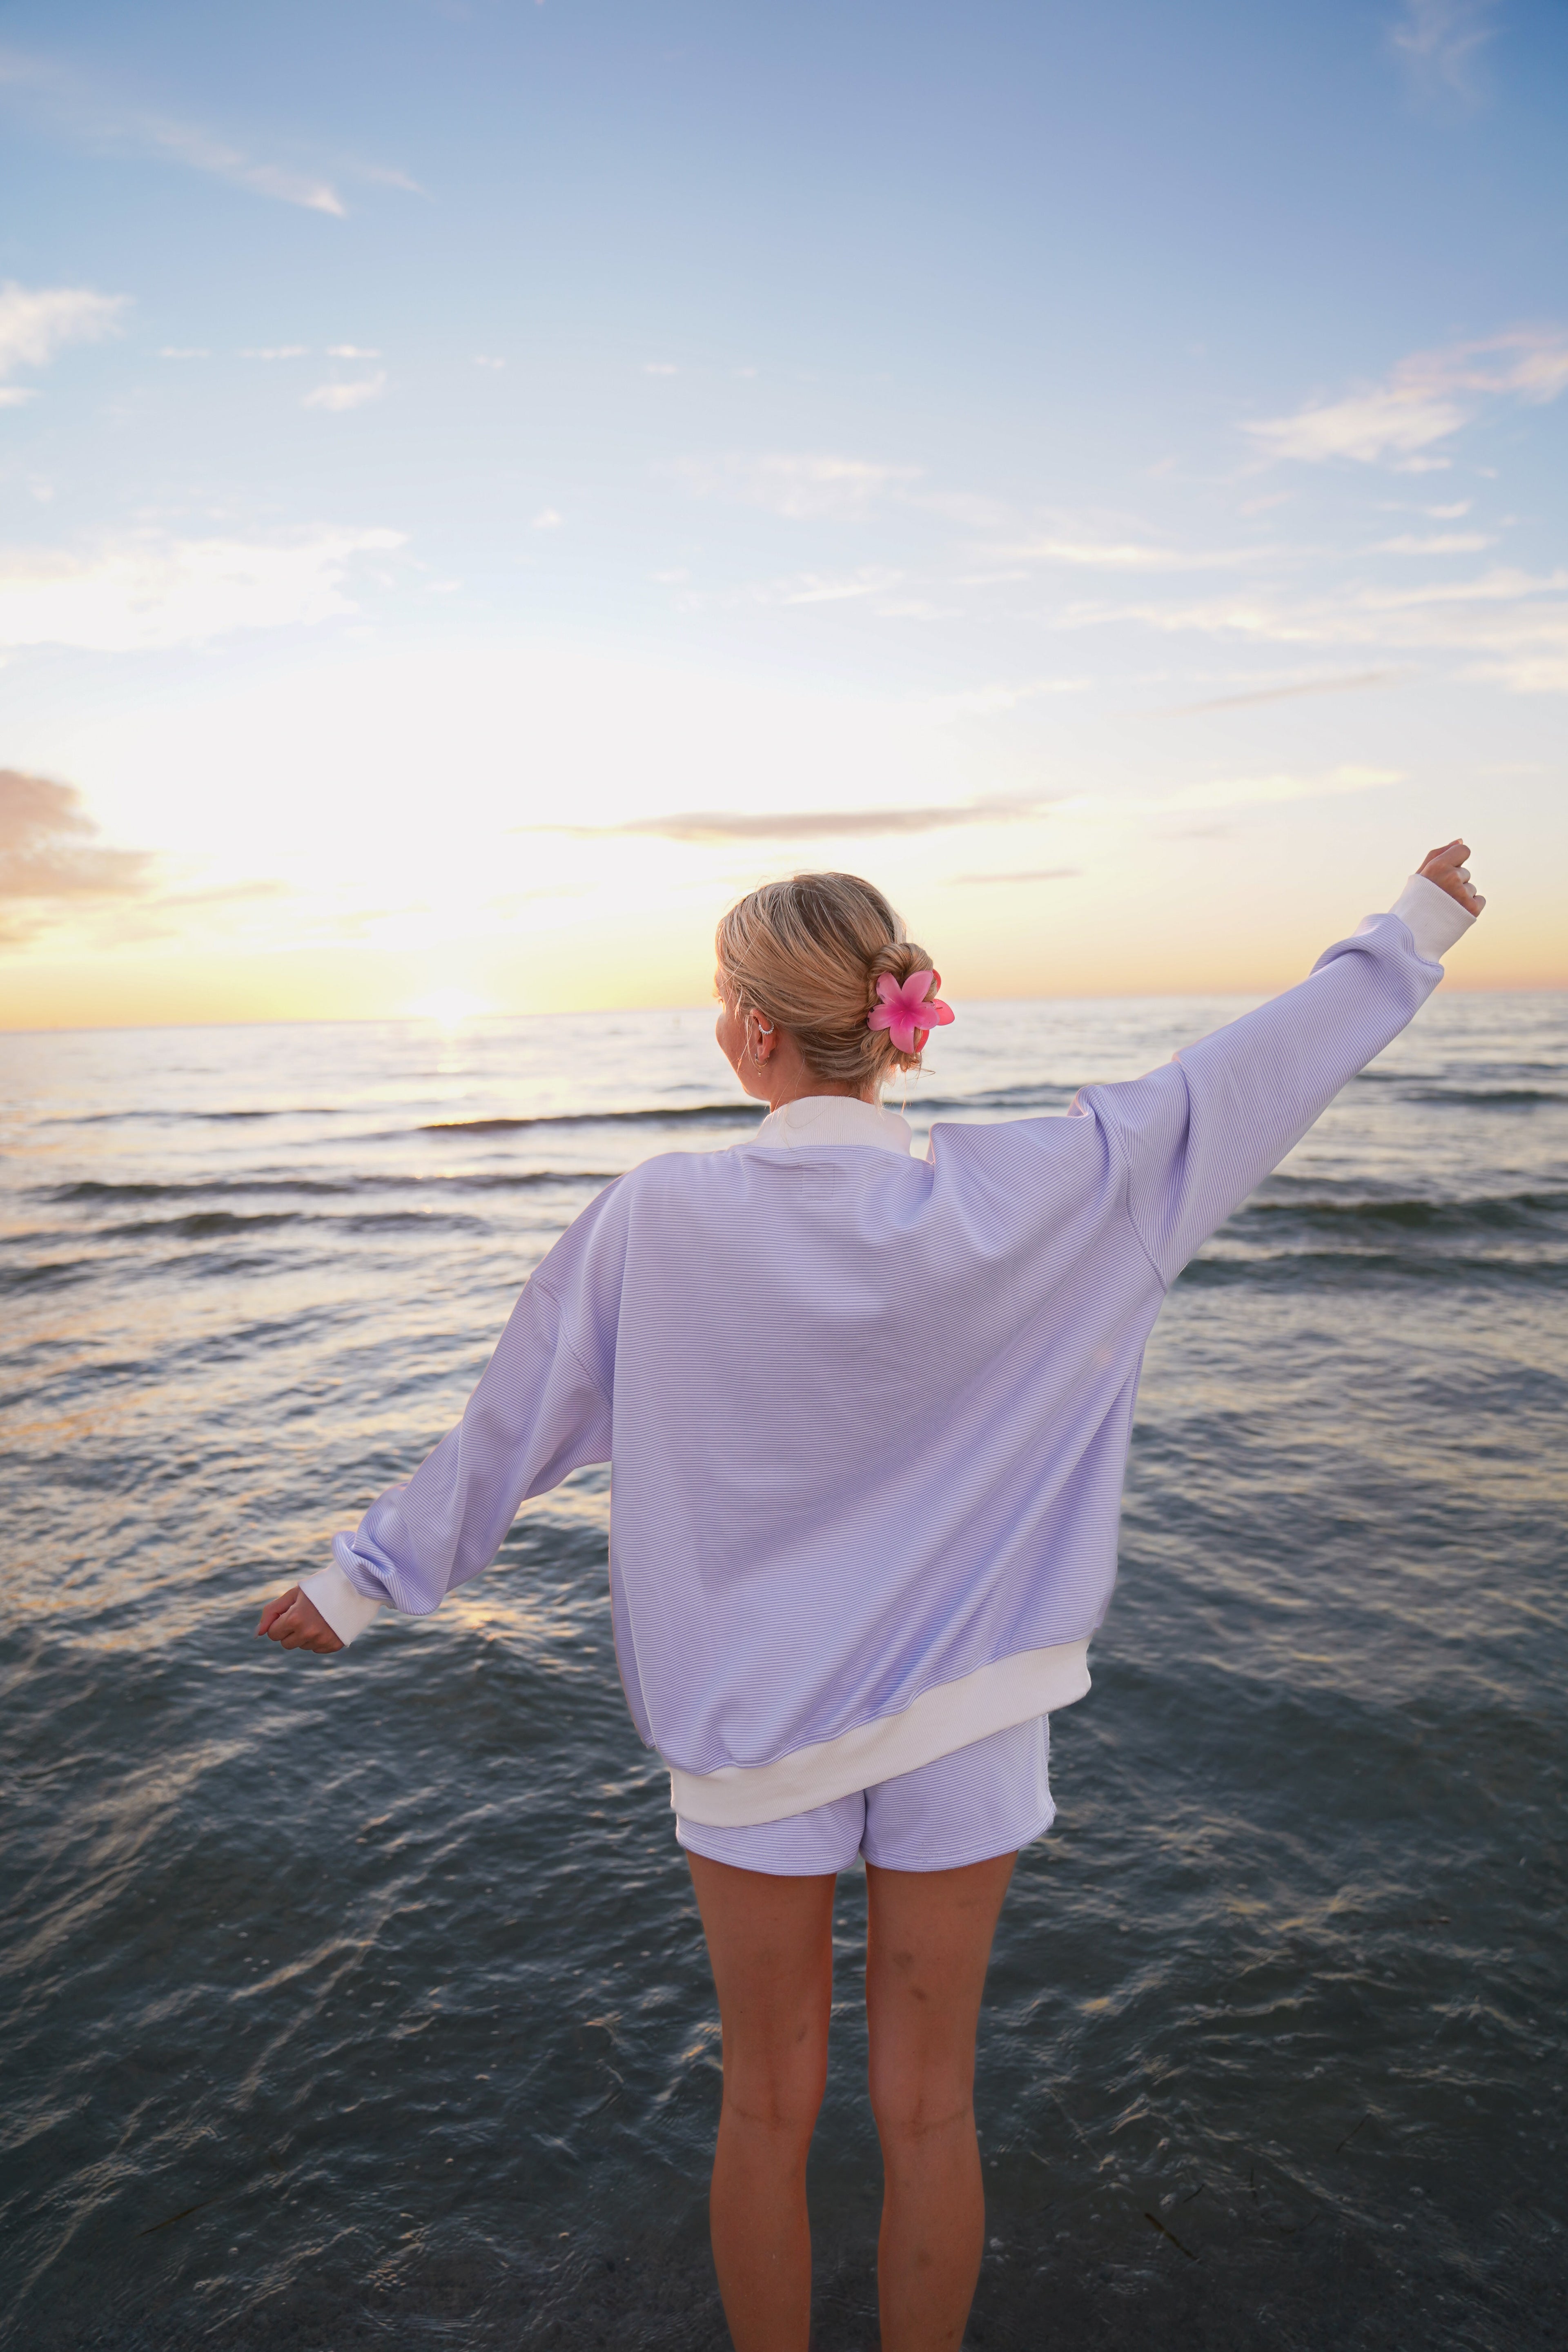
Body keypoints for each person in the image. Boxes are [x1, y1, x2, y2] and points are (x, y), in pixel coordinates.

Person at [259, 840, 1484, 2352]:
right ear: (893, 1019)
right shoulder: (1053, 1185)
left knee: (765, 2106)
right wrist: (1411, 929)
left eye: (723, 1002)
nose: (721, 1027)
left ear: (762, 1032)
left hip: (751, 1726)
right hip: (971, 1715)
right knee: (933, 2110)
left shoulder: (661, 1213)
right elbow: (1240, 1079)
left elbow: (519, 1421)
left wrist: (369, 1578)